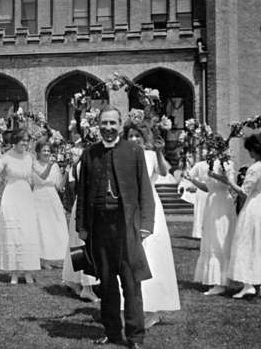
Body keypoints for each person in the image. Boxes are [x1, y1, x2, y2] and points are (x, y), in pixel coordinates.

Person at [76, 105, 155, 349]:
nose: (108, 128)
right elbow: (83, 192)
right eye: (104, 123)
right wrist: (82, 226)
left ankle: (135, 337)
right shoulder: (90, 153)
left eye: (113, 123)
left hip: (126, 229)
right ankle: (112, 332)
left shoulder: (133, 151)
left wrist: (145, 226)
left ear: (120, 125)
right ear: (98, 126)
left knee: (131, 284)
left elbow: (145, 191)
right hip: (99, 228)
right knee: (107, 284)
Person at [122, 122, 180, 328]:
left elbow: (164, 173)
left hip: (149, 206)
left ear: (143, 137)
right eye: (130, 136)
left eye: (138, 136)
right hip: (129, 207)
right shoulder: (123, 155)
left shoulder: (151, 155)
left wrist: (159, 152)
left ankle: (154, 308)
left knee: (152, 255)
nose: (134, 139)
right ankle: (132, 306)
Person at [210, 134, 261, 299]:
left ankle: (248, 285)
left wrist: (228, 181)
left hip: (253, 210)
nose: (249, 154)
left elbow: (244, 192)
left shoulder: (255, 168)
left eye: (250, 150)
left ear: (254, 150)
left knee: (247, 244)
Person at [0, 128, 54, 284]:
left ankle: (28, 272)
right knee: (13, 234)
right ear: (15, 141)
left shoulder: (30, 157)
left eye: (27, 140)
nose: (25, 143)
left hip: (26, 196)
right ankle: (14, 273)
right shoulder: (6, 157)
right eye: (23, 140)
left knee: (27, 233)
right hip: (11, 196)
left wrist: (50, 164)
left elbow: (41, 175)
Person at [185, 152, 236, 296]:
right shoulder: (208, 164)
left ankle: (221, 282)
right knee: (211, 238)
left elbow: (229, 182)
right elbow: (208, 188)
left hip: (223, 203)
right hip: (211, 202)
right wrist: (193, 180)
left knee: (221, 238)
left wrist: (215, 175)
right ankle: (215, 281)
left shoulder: (227, 164)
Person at [62, 149, 100, 303]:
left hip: (81, 205)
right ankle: (87, 287)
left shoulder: (78, 166)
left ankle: (74, 281)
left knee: (77, 246)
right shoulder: (86, 165)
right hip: (86, 207)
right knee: (83, 247)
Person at [32, 140, 69, 270]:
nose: (47, 153)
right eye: (44, 151)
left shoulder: (55, 167)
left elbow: (59, 187)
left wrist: (66, 174)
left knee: (55, 227)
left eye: (48, 151)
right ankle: (42, 259)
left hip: (52, 198)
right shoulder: (34, 165)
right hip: (38, 198)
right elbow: (41, 178)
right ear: (38, 152)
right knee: (41, 228)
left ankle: (56, 256)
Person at [188, 158, 209, 239]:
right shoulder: (199, 164)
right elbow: (190, 175)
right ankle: (199, 233)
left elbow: (189, 175)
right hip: (201, 190)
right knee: (200, 211)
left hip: (212, 189)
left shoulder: (219, 164)